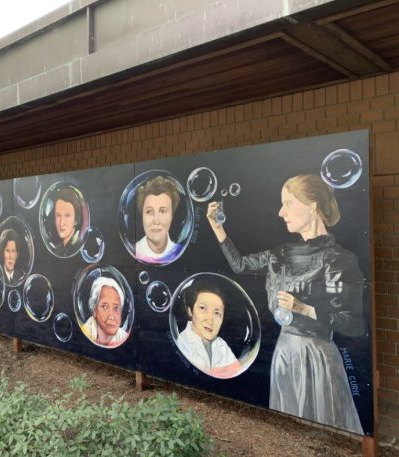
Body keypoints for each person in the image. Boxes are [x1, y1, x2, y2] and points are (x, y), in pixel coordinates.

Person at [207, 174, 365, 434]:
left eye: (288, 203)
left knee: (323, 429)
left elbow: (353, 324)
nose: (281, 212)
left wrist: (304, 309)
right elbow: (240, 265)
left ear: (312, 206)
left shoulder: (340, 259)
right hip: (285, 351)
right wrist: (217, 227)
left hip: (317, 357)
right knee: (290, 426)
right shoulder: (282, 253)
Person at [177, 281, 240, 378]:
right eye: (203, 308)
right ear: (190, 311)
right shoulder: (182, 342)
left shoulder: (222, 346)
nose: (210, 320)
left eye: (217, 313)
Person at [135, 175, 181, 261]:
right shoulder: (133, 252)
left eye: (163, 211)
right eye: (149, 212)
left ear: (172, 216)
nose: (156, 221)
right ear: (142, 216)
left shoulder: (181, 252)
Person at [82, 277, 128, 347]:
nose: (111, 316)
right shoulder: (85, 332)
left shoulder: (123, 337)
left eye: (116, 308)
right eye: (104, 307)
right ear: (94, 310)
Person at [54, 188, 82, 257]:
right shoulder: (57, 250)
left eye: (67, 216)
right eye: (58, 215)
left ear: (76, 220)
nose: (61, 223)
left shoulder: (78, 247)